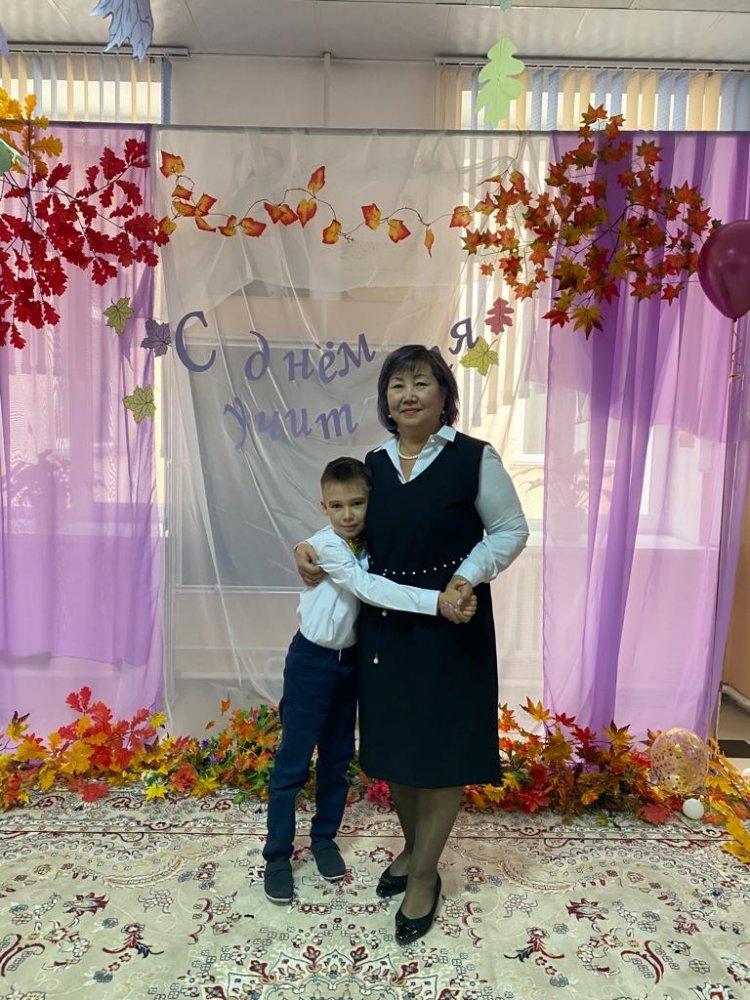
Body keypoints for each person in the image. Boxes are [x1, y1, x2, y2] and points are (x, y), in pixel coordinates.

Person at [294, 345, 529, 944]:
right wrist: (306, 547)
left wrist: (467, 577)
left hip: (453, 619)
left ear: (444, 394)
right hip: (387, 627)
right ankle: (412, 845)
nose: (408, 395)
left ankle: (424, 874)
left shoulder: (475, 458)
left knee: (443, 753)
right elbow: (346, 523)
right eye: (397, 386)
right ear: (386, 400)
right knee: (395, 747)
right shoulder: (374, 465)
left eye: (421, 383)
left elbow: (510, 529)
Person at [263, 455, 477, 904]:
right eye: (337, 506)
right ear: (323, 507)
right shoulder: (328, 546)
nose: (348, 515)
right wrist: (436, 602)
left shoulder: (371, 540)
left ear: (369, 502)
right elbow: (370, 589)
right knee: (292, 763)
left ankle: (324, 839)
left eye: (357, 504)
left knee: (338, 757)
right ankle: (277, 856)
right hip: (311, 662)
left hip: (350, 664)